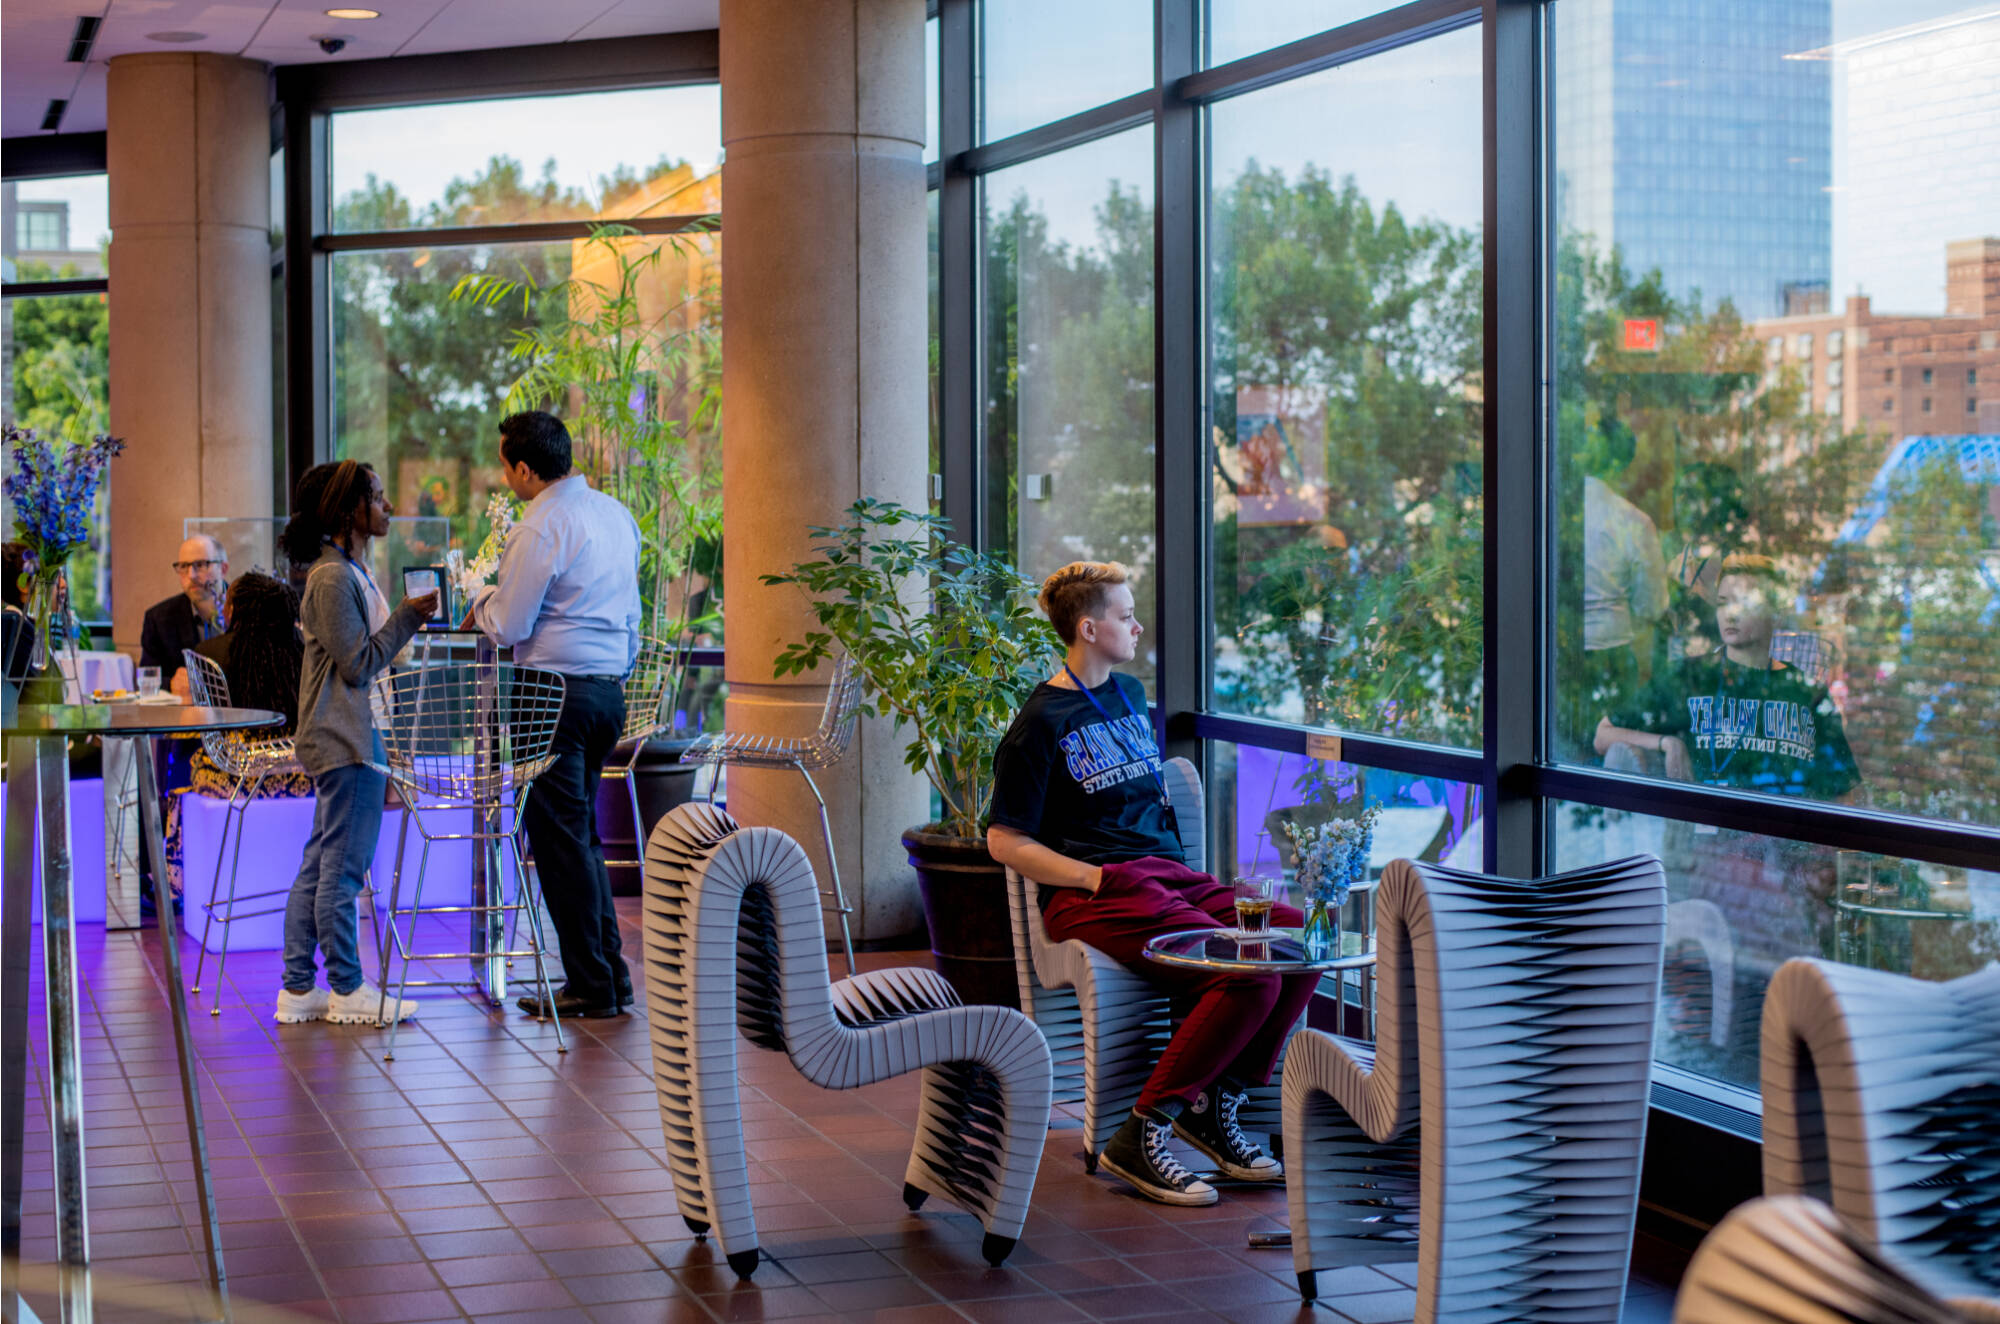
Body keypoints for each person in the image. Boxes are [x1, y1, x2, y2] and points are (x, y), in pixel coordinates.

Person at [986, 561, 1317, 1207]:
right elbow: (1003, 840)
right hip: (1097, 892)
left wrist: (1215, 882)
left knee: (1297, 941)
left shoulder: (1129, 694)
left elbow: (1144, 804)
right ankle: (1142, 1132)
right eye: (1125, 614)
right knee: (1249, 973)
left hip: (1171, 877)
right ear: (1089, 627)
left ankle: (1216, 1102)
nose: (1137, 625)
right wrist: (1095, 877)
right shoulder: (1037, 725)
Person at [466, 411, 641, 1021]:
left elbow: (511, 624)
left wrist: (479, 600)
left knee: (561, 844)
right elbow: (634, 619)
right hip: (606, 694)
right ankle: (610, 979)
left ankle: (592, 986)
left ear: (522, 467)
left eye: (504, 465)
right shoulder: (617, 516)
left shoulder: (540, 524)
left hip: (551, 695)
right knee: (581, 839)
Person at [275, 460, 437, 1026]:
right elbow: (359, 663)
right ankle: (347, 988)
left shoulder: (343, 572)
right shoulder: (333, 578)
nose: (388, 506)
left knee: (321, 865)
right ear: (350, 511)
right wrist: (408, 619)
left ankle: (299, 989)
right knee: (343, 870)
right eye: (378, 496)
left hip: (344, 733)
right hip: (344, 737)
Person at [1594, 553, 1857, 800]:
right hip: (1701, 839)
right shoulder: (1691, 677)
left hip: (1781, 840)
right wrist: (1667, 743)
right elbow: (1603, 734)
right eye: (1723, 603)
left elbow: (1845, 790)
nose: (1730, 613)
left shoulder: (1804, 690)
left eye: (1744, 602)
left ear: (1773, 613)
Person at [165, 572, 314, 898]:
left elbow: (202, 725)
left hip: (234, 771)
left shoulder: (210, 651)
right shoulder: (306, 651)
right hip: (302, 772)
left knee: (182, 767)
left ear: (235, 608)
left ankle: (177, 882)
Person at [142, 534, 230, 696]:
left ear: (223, 569)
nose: (191, 575)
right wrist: (171, 684)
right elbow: (147, 676)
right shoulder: (159, 618)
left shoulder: (249, 610)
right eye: (183, 566)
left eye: (201, 565)